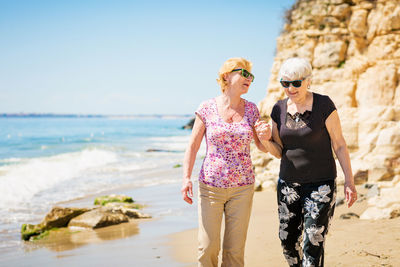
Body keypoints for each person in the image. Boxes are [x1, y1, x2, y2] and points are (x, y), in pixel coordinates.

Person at [255, 57, 358, 267]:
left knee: (313, 241)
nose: (290, 88)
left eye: (296, 83)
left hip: (321, 185)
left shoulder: (324, 104)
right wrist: (265, 140)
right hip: (288, 186)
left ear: (308, 81)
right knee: (288, 242)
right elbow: (278, 151)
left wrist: (349, 180)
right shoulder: (278, 109)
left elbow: (339, 144)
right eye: (285, 83)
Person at [181, 57, 270, 267]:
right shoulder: (207, 108)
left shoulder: (252, 110)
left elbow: (261, 146)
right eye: (244, 73)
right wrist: (185, 179)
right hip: (211, 187)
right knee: (207, 248)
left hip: (242, 188)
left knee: (235, 252)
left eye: (251, 76)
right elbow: (192, 146)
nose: (249, 79)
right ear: (226, 76)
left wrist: (267, 135)